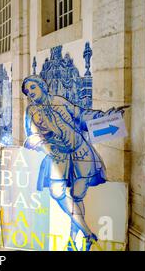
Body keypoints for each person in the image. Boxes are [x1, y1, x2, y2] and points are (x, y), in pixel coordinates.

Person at [22, 75, 126, 251]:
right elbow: (32, 134)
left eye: (33, 87)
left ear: (42, 86)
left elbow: (82, 115)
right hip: (58, 155)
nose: (30, 92)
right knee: (57, 192)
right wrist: (36, 141)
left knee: (78, 195)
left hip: (80, 151)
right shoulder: (31, 111)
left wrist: (107, 116)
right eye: (27, 91)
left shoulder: (59, 101)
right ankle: (87, 233)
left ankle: (73, 241)